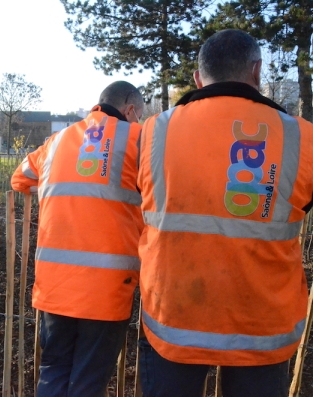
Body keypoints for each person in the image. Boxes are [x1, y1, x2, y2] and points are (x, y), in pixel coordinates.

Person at [136, 29, 313, 397]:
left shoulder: (154, 131)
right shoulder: (302, 137)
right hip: (262, 328)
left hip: (175, 319)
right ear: (257, 71)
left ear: (198, 78)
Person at [11, 81, 145, 396]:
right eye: (138, 115)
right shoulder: (138, 139)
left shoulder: (57, 141)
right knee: (87, 381)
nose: (138, 121)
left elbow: (20, 179)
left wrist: (53, 187)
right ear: (128, 110)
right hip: (106, 289)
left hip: (55, 285)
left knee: (54, 371)